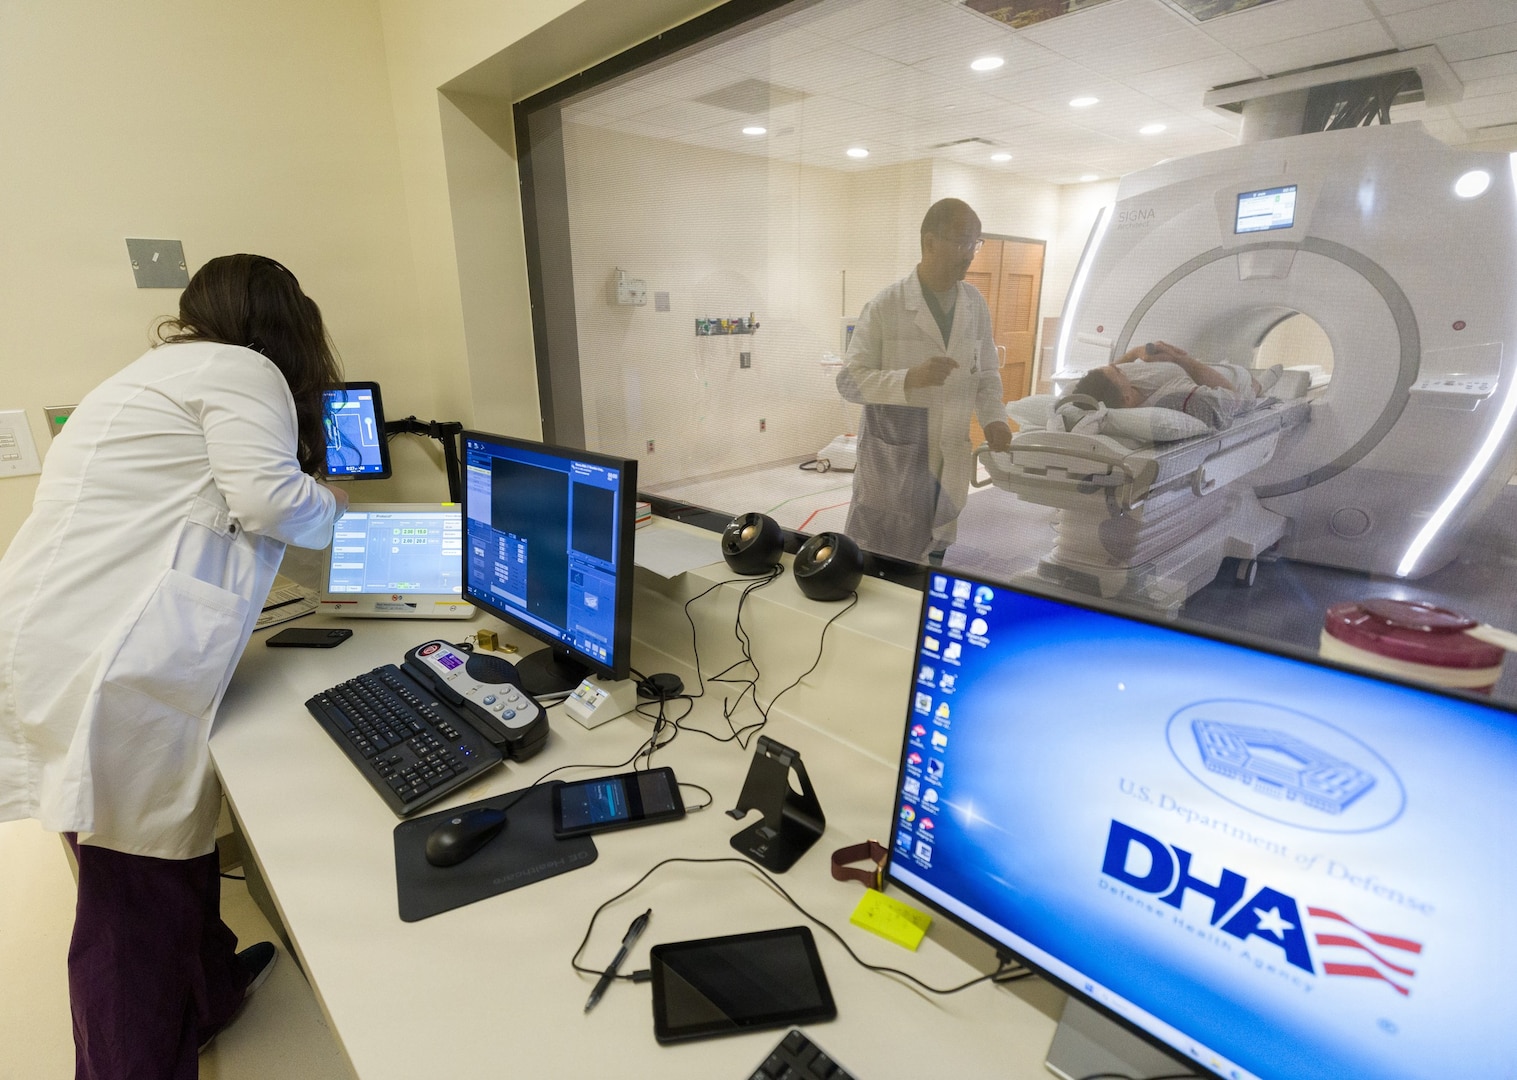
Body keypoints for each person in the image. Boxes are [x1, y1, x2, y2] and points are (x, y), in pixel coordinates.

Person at [0, 254, 349, 1078]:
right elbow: (267, 503)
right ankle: (135, 1056)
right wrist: (336, 508)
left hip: (62, 637)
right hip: (105, 662)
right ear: (285, 322)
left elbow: (216, 515)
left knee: (159, 854)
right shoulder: (243, 367)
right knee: (132, 899)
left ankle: (210, 990)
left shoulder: (152, 374)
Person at [837, 198, 1013, 564]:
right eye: (964, 241)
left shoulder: (974, 304)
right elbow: (849, 382)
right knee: (881, 566)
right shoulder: (886, 305)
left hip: (949, 462)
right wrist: (909, 379)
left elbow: (986, 373)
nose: (971, 254)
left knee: (933, 561)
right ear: (930, 242)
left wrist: (993, 417)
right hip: (894, 463)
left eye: (976, 243)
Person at [1070, 340, 1269, 430]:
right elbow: (1235, 400)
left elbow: (1107, 373)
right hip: (1233, 379)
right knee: (1253, 386)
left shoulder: (1111, 388)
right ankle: (1263, 385)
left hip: (1200, 369)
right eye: (1119, 371)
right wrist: (1182, 360)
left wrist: (1134, 353)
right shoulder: (1173, 397)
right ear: (1127, 398)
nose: (1120, 367)